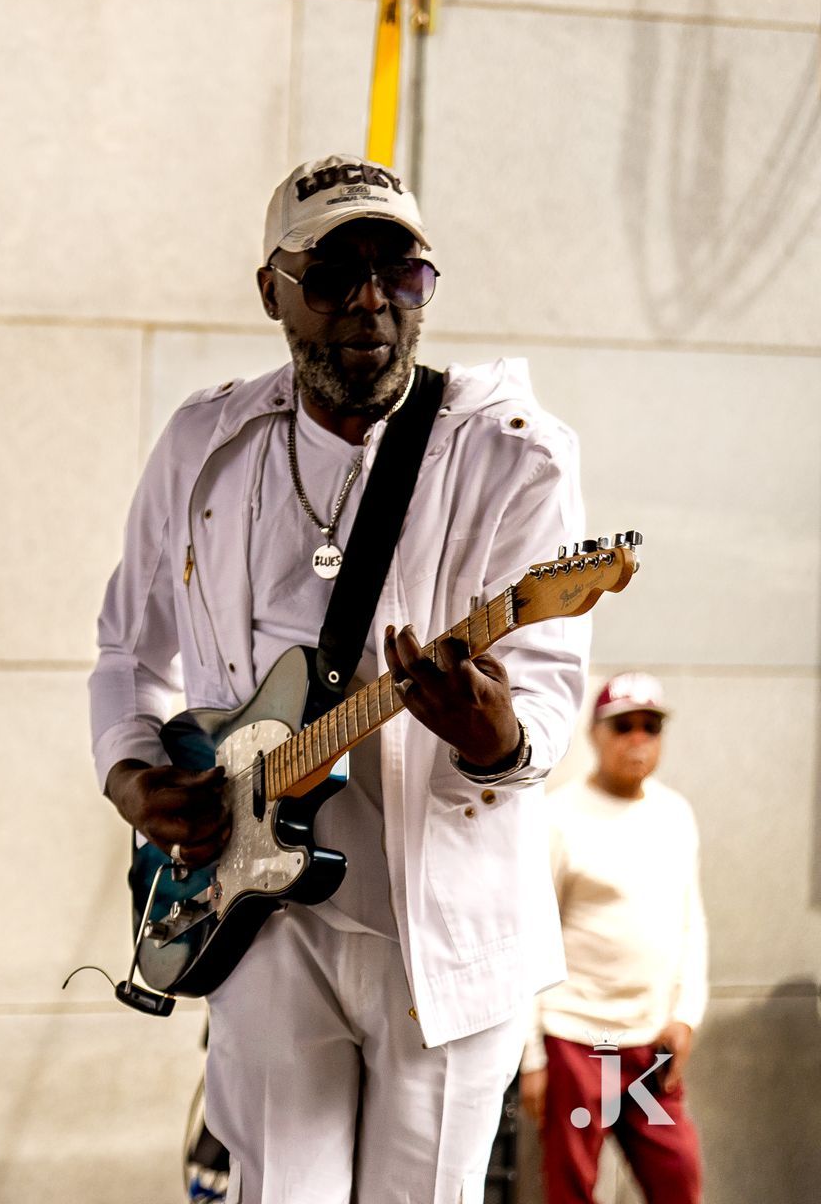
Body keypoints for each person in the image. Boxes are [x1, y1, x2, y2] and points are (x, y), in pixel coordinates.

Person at [89, 154, 590, 1202]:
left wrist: (491, 731)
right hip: (261, 904)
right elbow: (130, 650)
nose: (369, 300)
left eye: (399, 272)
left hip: (441, 931)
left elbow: (545, 694)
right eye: (333, 271)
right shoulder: (203, 442)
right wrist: (135, 775)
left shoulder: (511, 455)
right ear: (272, 290)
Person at [519, 673, 705, 1203]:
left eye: (651, 726)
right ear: (596, 734)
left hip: (651, 1052)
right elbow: (532, 936)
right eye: (624, 725)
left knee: (677, 1178)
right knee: (571, 1189)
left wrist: (686, 1013)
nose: (638, 737)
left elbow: (691, 922)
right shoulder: (556, 818)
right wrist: (532, 1057)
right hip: (578, 1045)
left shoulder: (674, 814)